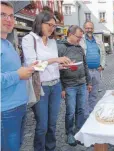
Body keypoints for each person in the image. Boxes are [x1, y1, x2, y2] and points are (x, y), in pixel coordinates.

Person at [22, 11, 71, 151]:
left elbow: (51, 64)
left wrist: (61, 65)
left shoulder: (52, 41)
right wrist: (56, 60)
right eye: (49, 24)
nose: (52, 28)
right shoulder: (29, 39)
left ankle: (51, 148)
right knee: (42, 125)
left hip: (55, 85)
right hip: (41, 87)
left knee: (52, 124)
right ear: (39, 22)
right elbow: (33, 65)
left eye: (54, 26)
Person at [1, 2, 36, 151]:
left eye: (11, 16)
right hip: (5, 111)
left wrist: (25, 70)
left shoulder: (7, 43)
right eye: (3, 15)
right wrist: (18, 74)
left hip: (18, 107)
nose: (9, 19)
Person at [57, 25, 92, 146]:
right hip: (69, 85)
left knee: (81, 110)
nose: (80, 39)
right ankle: (70, 133)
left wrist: (88, 82)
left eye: (81, 37)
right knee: (70, 111)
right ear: (70, 34)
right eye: (78, 37)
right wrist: (62, 88)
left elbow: (85, 65)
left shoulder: (79, 47)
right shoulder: (60, 47)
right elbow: (56, 70)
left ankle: (79, 132)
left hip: (81, 84)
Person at [80, 21, 106, 118]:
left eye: (91, 28)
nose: (89, 30)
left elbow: (103, 54)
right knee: (85, 95)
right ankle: (86, 116)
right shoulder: (81, 40)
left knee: (94, 94)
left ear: (93, 29)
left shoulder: (98, 40)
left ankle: (92, 113)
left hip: (96, 71)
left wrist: (102, 65)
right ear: (84, 28)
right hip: (85, 72)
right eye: (87, 28)